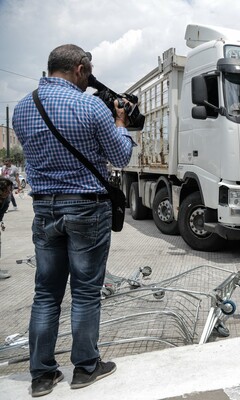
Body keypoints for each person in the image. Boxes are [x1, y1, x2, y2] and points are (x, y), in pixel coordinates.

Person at [12, 44, 135, 397]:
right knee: (84, 292)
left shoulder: (23, 107)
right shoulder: (91, 105)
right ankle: (86, 367)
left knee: (46, 294)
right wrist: (121, 121)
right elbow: (121, 156)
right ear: (80, 69)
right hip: (86, 208)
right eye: (89, 72)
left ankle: (41, 376)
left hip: (44, 209)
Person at [0, 177, 13, 280]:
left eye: (10, 190)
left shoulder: (7, 199)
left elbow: (1, 213)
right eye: (6, 190)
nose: (8, 192)